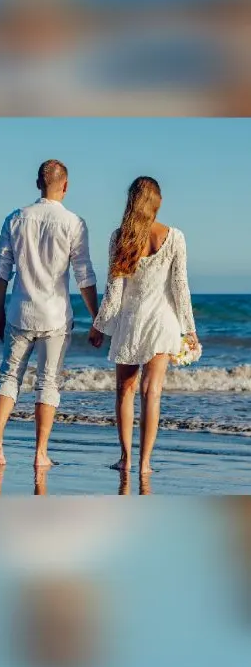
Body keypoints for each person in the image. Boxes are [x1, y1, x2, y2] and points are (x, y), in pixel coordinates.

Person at [0, 159, 100, 468]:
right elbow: (84, 276)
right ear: (65, 186)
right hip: (55, 315)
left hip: (19, 312)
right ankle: (40, 453)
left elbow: (1, 272)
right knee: (48, 382)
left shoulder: (15, 218)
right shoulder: (74, 223)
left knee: (9, 376)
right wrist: (97, 319)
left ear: (38, 183)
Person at [89, 176, 198, 475]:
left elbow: (114, 292)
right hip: (163, 322)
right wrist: (189, 329)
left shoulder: (120, 237)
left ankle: (125, 458)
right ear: (158, 202)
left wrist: (99, 326)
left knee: (125, 390)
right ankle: (145, 463)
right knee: (153, 392)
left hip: (131, 322)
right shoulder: (175, 237)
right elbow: (180, 287)